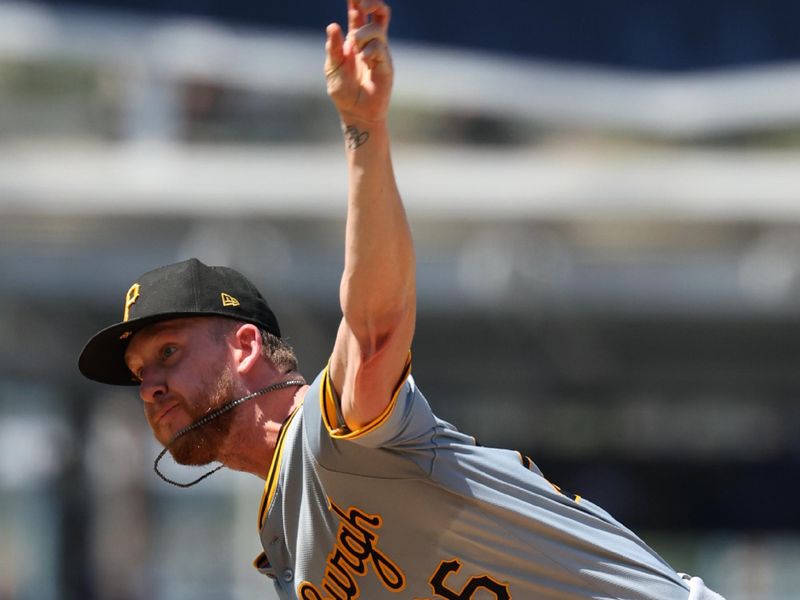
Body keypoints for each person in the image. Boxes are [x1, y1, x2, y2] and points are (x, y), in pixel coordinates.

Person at [79, 1, 726, 599]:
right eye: (140, 375)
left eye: (167, 352)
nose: (150, 387)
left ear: (246, 345)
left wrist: (364, 133)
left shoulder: (332, 434)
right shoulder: (285, 546)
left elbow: (376, 327)